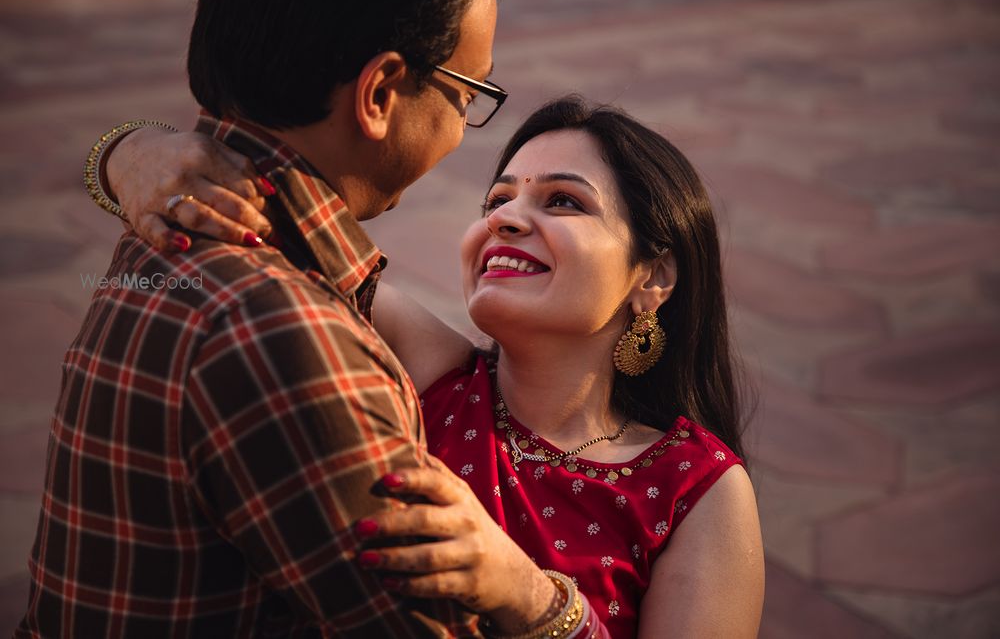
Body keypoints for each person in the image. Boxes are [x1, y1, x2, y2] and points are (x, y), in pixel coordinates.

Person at [93, 96, 766, 637]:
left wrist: (526, 595)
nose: (506, 220)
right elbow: (267, 212)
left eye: (562, 201)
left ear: (655, 275)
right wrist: (125, 153)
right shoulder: (434, 374)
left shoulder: (695, 490)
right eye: (498, 201)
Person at [18, 0, 549, 637]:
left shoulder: (174, 211)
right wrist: (544, 604)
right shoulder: (290, 338)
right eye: (468, 92)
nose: (512, 223)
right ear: (381, 93)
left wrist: (119, 152)